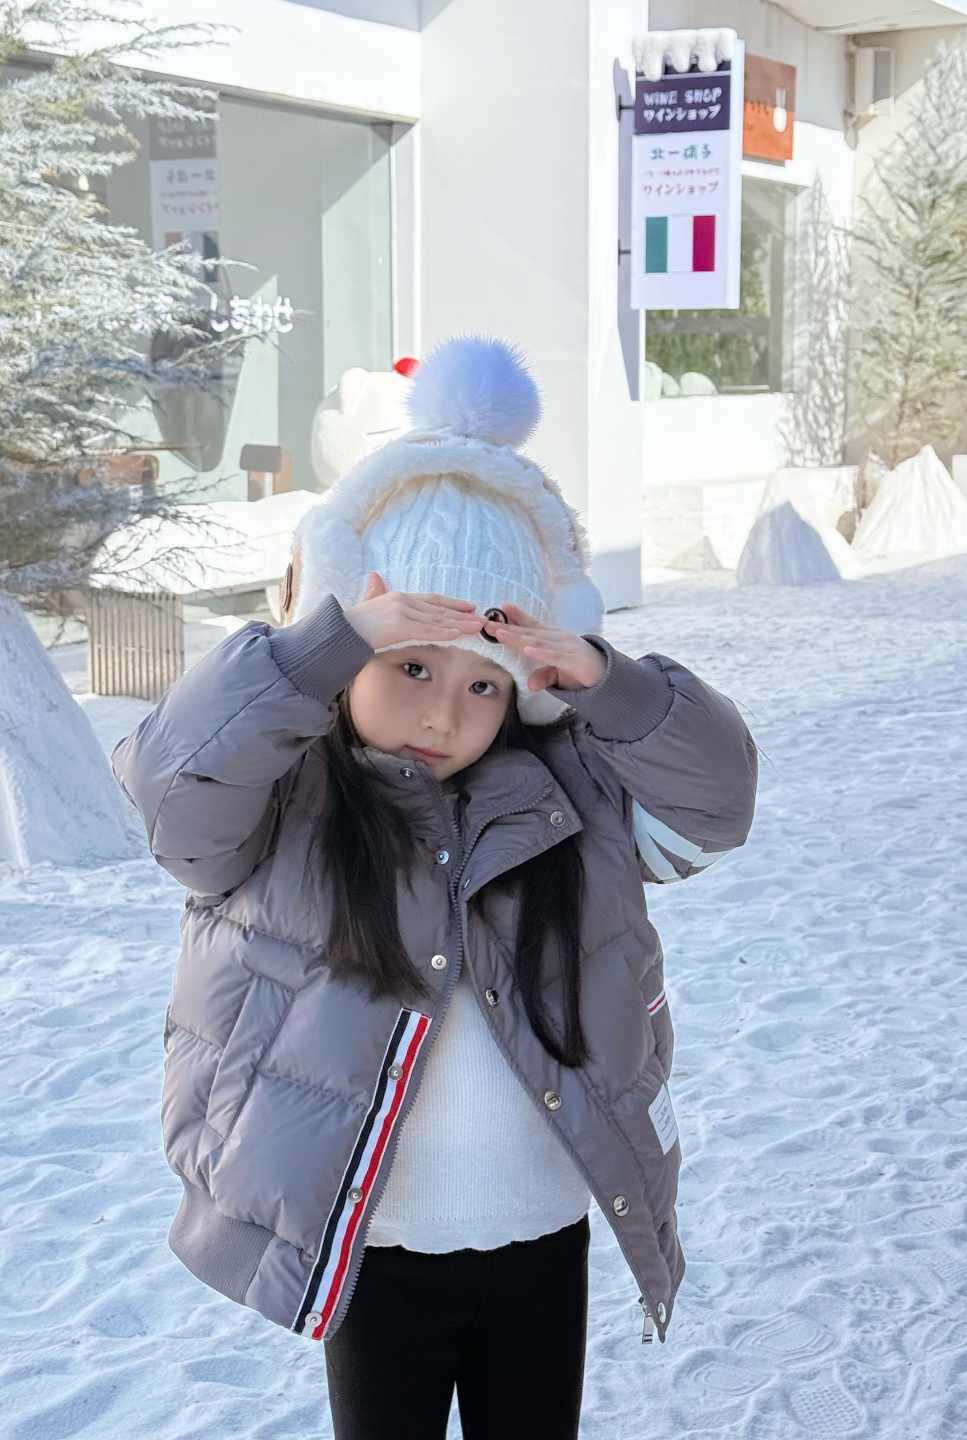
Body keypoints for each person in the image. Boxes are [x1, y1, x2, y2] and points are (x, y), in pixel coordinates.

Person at [113, 336, 758, 1440]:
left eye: (483, 686)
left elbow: (716, 806)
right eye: (409, 665)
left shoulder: (571, 807)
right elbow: (171, 786)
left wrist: (606, 682)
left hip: (539, 1229)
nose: (443, 714)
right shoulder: (275, 808)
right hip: (375, 1237)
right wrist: (317, 646)